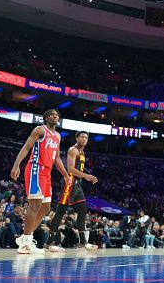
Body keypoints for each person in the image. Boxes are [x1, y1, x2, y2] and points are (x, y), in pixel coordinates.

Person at [10, 109, 70, 254]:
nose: (55, 116)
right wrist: (16, 165)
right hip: (35, 169)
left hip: (47, 172)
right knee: (35, 205)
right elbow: (26, 147)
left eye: (57, 115)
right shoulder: (40, 130)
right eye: (52, 115)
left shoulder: (57, 136)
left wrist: (66, 175)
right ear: (46, 118)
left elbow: (56, 158)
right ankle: (25, 243)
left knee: (45, 208)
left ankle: (26, 237)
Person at [45, 131, 98, 252]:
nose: (84, 139)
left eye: (86, 137)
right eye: (82, 137)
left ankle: (83, 242)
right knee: (60, 211)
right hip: (70, 182)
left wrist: (86, 176)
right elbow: (70, 169)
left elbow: (79, 168)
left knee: (82, 211)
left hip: (78, 184)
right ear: (77, 138)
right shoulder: (73, 150)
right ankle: (49, 242)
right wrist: (87, 176)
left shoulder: (82, 152)